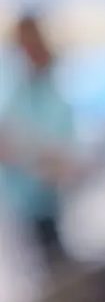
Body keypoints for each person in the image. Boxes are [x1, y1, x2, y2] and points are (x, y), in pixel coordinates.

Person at [0, 14, 76, 268]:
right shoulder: (18, 85)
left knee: (51, 268)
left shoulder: (52, 87)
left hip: (44, 201)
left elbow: (62, 153)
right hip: (20, 202)